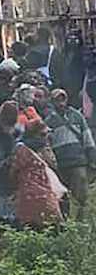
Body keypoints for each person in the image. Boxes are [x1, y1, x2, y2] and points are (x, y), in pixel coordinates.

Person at [45, 88, 95, 216]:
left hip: (78, 160)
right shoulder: (49, 121)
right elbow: (47, 144)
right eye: (57, 100)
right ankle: (68, 221)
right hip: (61, 163)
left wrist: (92, 158)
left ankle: (81, 219)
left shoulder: (76, 116)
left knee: (81, 193)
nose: (61, 103)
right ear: (53, 101)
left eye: (63, 99)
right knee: (65, 195)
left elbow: (87, 137)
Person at [10, 120, 64, 229]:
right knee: (34, 227)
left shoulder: (43, 149)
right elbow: (13, 172)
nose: (45, 138)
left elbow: (54, 165)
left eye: (46, 134)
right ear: (32, 134)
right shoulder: (21, 149)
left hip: (47, 193)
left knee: (54, 227)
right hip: (28, 196)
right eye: (42, 134)